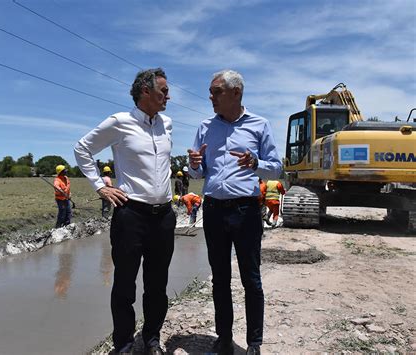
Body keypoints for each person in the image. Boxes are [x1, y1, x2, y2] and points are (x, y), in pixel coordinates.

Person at [74, 68, 174, 354]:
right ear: (145, 91)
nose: (168, 95)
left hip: (164, 216)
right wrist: (100, 186)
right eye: (163, 90)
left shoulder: (166, 123)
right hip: (131, 215)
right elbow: (82, 148)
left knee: (157, 285)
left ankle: (152, 339)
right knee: (124, 285)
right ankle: (124, 345)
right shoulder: (120, 122)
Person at [187, 70, 282, 355]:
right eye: (211, 91)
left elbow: (276, 168)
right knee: (220, 278)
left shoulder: (259, 125)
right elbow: (198, 172)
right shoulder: (205, 127)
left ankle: (254, 344)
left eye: (216, 91)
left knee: (251, 278)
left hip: (246, 210)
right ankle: (224, 338)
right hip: (214, 210)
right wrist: (193, 164)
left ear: (235, 93)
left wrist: (255, 163)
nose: (210, 97)